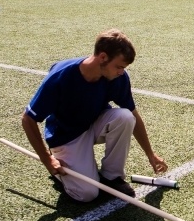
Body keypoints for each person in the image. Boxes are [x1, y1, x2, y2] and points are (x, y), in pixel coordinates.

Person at [21, 29, 168, 202]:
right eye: (119, 66)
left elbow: (133, 115)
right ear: (103, 57)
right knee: (87, 194)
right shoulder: (61, 77)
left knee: (125, 117)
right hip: (67, 135)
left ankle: (111, 177)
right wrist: (47, 159)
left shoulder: (118, 77)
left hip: (94, 123)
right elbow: (28, 119)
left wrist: (151, 154)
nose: (122, 72)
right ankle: (63, 172)